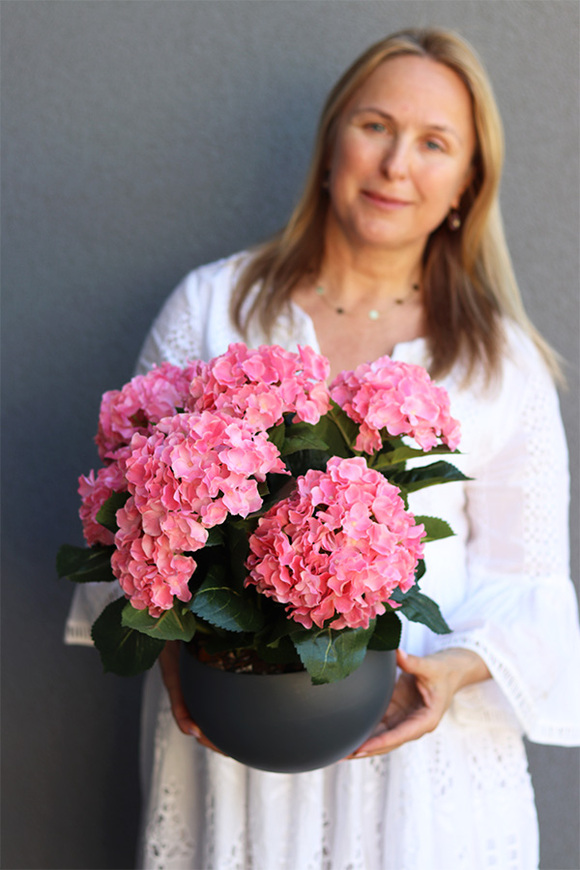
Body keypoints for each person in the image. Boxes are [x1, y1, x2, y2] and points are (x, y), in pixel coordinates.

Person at [66, 28, 580, 870]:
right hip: (232, 764)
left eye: (434, 143)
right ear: (332, 142)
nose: (395, 164)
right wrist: (170, 652)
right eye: (375, 125)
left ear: (466, 186)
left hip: (424, 780)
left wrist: (448, 673)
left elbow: (529, 586)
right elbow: (123, 524)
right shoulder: (211, 308)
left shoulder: (499, 362)